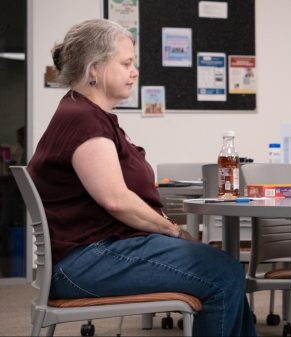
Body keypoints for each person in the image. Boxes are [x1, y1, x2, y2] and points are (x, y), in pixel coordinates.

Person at [27, 19, 256, 336]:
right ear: (95, 69)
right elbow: (116, 201)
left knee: (224, 268)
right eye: (126, 63)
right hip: (86, 262)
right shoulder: (83, 121)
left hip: (94, 253)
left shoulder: (86, 115)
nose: (134, 71)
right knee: (223, 274)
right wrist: (173, 231)